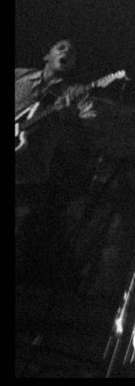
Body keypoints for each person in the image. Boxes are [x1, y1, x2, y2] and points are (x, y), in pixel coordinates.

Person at [16, 40, 99, 284]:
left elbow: (92, 133)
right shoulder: (20, 76)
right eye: (61, 47)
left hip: (27, 175)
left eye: (72, 53)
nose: (67, 52)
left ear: (73, 65)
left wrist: (71, 117)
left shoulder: (74, 94)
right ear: (47, 55)